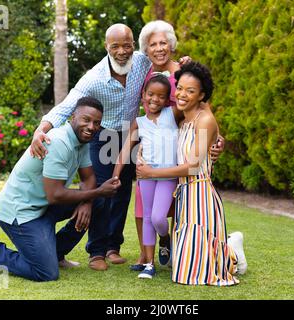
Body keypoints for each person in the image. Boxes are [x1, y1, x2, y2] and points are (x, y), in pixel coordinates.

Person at [29, 24, 198, 272]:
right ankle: (96, 251)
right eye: (115, 46)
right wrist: (41, 129)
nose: (122, 51)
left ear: (133, 45)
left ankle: (113, 247)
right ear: (106, 47)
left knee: (121, 193)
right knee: (101, 190)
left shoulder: (141, 62)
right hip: (104, 135)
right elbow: (67, 105)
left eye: (127, 45)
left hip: (131, 133)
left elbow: (166, 64)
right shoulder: (94, 77)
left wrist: (186, 64)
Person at [0, 97, 121, 282]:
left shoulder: (82, 142)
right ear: (73, 117)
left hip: (43, 205)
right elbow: (55, 195)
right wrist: (97, 192)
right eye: (86, 120)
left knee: (97, 202)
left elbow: (88, 178)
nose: (91, 126)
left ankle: (55, 253)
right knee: (46, 273)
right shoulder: (59, 142)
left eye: (97, 123)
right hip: (21, 212)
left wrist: (88, 202)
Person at [137, 62, 247, 286]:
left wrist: (151, 172)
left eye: (190, 91)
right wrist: (140, 151)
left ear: (202, 95)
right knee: (181, 271)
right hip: (183, 198)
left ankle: (233, 252)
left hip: (201, 196)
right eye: (180, 88)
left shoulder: (204, 119)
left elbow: (194, 166)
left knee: (191, 276)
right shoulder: (182, 120)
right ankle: (227, 245)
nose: (182, 94)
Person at [131, 20, 226, 270]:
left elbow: (204, 110)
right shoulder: (142, 72)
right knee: (143, 205)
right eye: (153, 44)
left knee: (169, 205)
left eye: (163, 42)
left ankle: (179, 244)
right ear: (146, 48)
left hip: (181, 145)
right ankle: (145, 254)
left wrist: (217, 138)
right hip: (154, 146)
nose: (159, 48)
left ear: (172, 45)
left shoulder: (183, 71)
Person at [113, 75, 179, 279]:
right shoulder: (138, 122)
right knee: (148, 217)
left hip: (168, 175)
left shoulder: (173, 113)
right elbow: (126, 150)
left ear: (168, 99)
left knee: (159, 218)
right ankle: (149, 263)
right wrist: (116, 174)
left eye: (161, 96)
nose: (154, 99)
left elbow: (197, 106)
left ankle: (165, 239)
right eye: (150, 94)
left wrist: (186, 68)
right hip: (145, 176)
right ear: (143, 95)